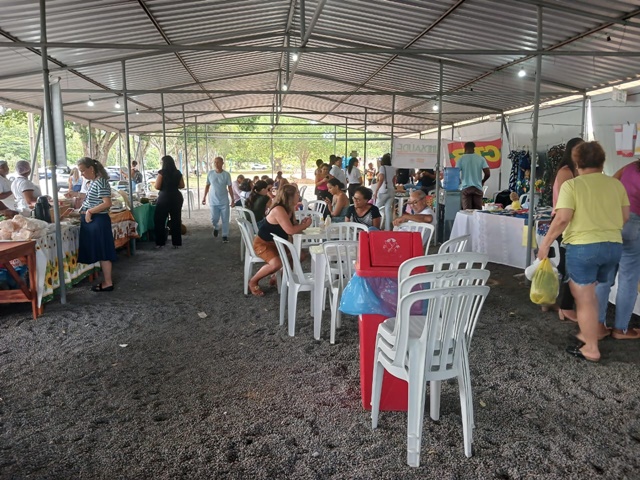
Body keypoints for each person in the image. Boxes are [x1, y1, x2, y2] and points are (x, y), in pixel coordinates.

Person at [537, 141, 629, 362]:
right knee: (597, 292)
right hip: (613, 247)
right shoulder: (616, 185)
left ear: (577, 162)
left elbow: (562, 218)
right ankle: (591, 331)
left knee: (585, 299)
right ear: (602, 161)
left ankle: (591, 347)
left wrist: (545, 243)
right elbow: (625, 217)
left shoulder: (573, 186)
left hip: (584, 248)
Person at [595, 157, 640, 339]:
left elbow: (609, 185)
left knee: (604, 276)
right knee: (628, 279)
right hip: (634, 225)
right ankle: (621, 329)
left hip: (613, 220)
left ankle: (597, 326)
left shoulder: (629, 167)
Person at [249, 184, 312, 297]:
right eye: (297, 193)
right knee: (276, 264)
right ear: (290, 196)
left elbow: (293, 227)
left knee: (300, 255)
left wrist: (301, 224)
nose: (299, 195)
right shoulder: (279, 209)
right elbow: (290, 230)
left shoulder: (289, 208)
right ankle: (253, 281)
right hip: (264, 244)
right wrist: (305, 226)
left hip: (278, 243)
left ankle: (277, 277)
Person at [548, 137, 584, 321]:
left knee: (566, 263)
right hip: (565, 220)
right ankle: (565, 306)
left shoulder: (577, 171)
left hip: (572, 220)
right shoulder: (566, 172)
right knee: (569, 264)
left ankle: (553, 300)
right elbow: (565, 203)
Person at [76, 157, 117, 292]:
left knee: (103, 252)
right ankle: (107, 281)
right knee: (101, 251)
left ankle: (108, 282)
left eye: (82, 171)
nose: (82, 174)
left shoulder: (101, 182)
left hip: (98, 220)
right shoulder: (94, 182)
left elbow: (107, 203)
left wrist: (89, 211)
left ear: (91, 169)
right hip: (94, 221)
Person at [154, 155, 185, 249]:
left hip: (164, 198)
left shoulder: (161, 173)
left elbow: (157, 186)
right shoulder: (178, 173)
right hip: (176, 197)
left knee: (159, 220)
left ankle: (160, 243)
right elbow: (182, 185)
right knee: (176, 220)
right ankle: (176, 243)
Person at [202, 156, 234, 243]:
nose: (216, 164)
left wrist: (233, 199)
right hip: (213, 200)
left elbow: (230, 187)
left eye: (218, 162)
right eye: (215, 162)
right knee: (214, 218)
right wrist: (204, 197)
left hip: (224, 200)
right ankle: (216, 227)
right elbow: (207, 185)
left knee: (225, 219)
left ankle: (225, 235)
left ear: (222, 163)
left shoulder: (226, 174)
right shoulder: (210, 173)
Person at [457, 142, 490, 210]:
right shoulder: (481, 158)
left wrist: (459, 181)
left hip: (466, 188)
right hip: (477, 187)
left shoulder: (461, 159)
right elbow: (487, 173)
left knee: (467, 212)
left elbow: (455, 173)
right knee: (477, 212)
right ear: (474, 148)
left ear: (465, 148)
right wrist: (482, 181)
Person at [372, 153, 395, 230]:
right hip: (391, 190)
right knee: (388, 209)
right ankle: (388, 228)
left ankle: (375, 226)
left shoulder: (382, 168)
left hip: (383, 190)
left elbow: (381, 179)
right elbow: (394, 180)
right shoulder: (393, 168)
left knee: (375, 208)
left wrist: (376, 190)